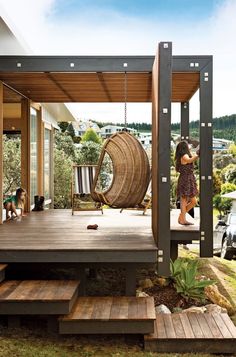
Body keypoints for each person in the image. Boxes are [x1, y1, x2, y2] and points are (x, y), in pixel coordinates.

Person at [175, 141, 199, 225]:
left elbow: (191, 158)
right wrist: (198, 154)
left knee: (194, 201)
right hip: (186, 179)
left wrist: (196, 153)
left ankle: (181, 216)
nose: (189, 146)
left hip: (188, 179)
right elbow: (190, 160)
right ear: (184, 147)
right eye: (187, 145)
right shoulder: (184, 156)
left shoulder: (183, 156)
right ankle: (183, 219)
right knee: (184, 200)